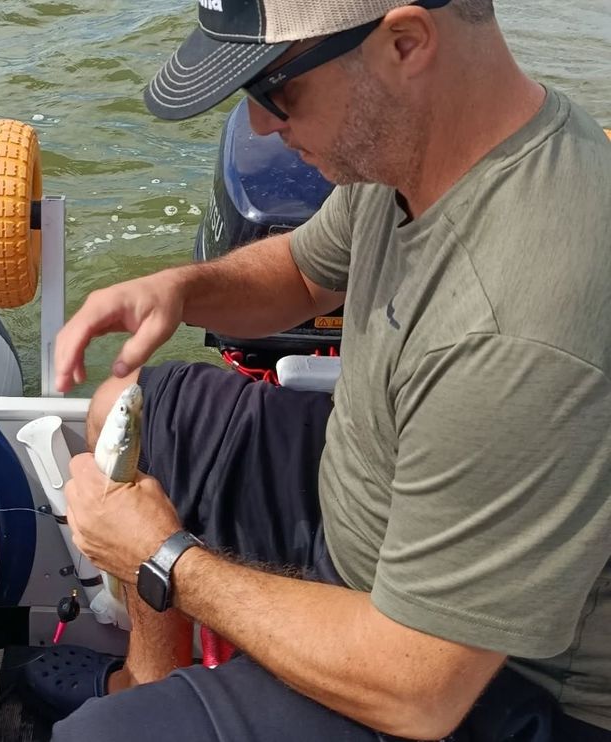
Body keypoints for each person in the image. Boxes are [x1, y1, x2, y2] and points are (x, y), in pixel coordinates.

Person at [32, 0, 611, 739]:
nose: (263, 124)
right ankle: (151, 677)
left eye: (274, 89)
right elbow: (305, 272)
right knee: (144, 404)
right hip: (373, 509)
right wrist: (180, 291)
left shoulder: (521, 325)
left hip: (490, 679)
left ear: (404, 42)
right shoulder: (419, 154)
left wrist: (162, 557)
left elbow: (420, 690)